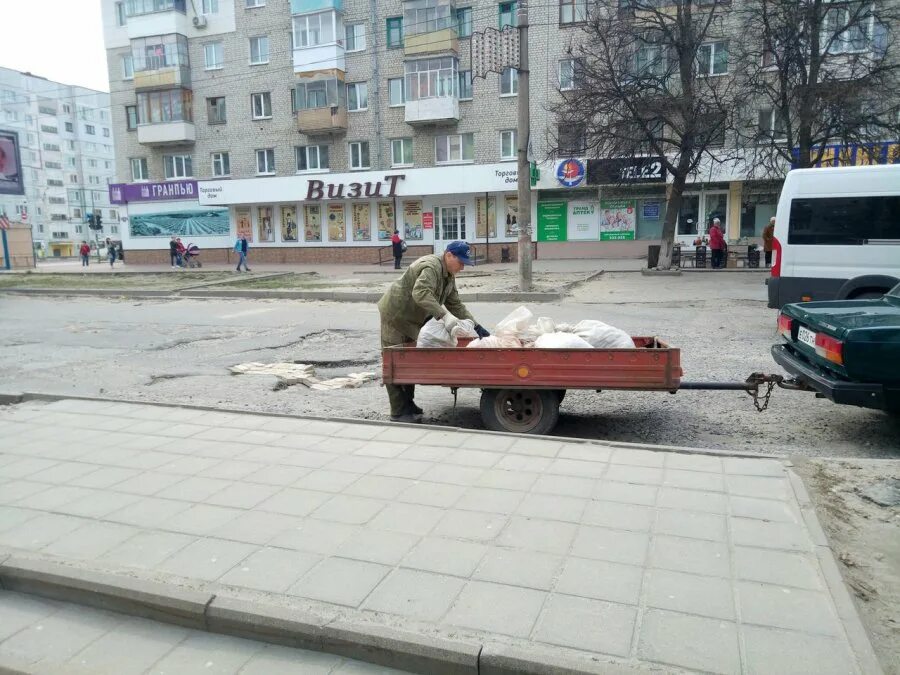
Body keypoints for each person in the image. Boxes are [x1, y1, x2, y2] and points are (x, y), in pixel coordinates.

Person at [377, 241, 490, 423]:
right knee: (395, 362)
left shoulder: (448, 275)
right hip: (396, 315)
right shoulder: (431, 267)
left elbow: (455, 304)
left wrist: (476, 326)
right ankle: (398, 412)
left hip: (413, 320)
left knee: (408, 361)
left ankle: (408, 403)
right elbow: (421, 293)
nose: (462, 267)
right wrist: (443, 316)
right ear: (449, 255)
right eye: (460, 262)